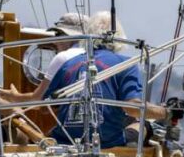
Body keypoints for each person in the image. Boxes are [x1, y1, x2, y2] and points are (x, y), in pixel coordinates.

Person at [43, 14, 169, 148]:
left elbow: (45, 107)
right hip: (106, 143)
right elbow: (133, 108)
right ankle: (130, 149)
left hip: (65, 142)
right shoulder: (125, 64)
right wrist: (166, 112)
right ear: (119, 37)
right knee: (144, 125)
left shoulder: (68, 65)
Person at [5, 13, 91, 103]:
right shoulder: (98, 55)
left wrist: (15, 97)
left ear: (70, 36)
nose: (55, 42)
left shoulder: (63, 58)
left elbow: (37, 98)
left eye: (58, 35)